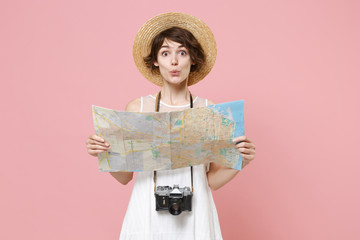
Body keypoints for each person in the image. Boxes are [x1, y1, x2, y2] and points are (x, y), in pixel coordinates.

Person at [85, 12, 256, 240]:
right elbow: (125, 176)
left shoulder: (210, 110)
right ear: (156, 61)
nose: (174, 62)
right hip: (146, 213)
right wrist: (103, 153)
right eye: (165, 53)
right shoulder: (139, 108)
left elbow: (212, 181)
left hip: (196, 214)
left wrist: (240, 162)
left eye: (182, 53)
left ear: (193, 59)